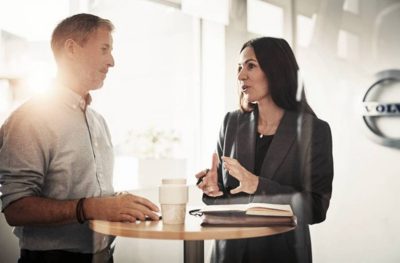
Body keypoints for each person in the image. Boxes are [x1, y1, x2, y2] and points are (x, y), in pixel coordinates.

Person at [0, 13, 160, 263]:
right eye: (104, 49)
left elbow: (85, 192)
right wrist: (93, 207)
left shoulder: (99, 122)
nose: (112, 61)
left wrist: (116, 203)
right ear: (72, 49)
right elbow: (16, 208)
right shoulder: (29, 119)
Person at [196, 37, 334, 263]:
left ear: (276, 71)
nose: (241, 75)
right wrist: (214, 190)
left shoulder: (314, 130)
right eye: (239, 68)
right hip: (228, 253)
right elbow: (225, 199)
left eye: (251, 66)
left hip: (282, 253)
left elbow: (316, 208)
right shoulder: (231, 122)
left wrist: (258, 185)